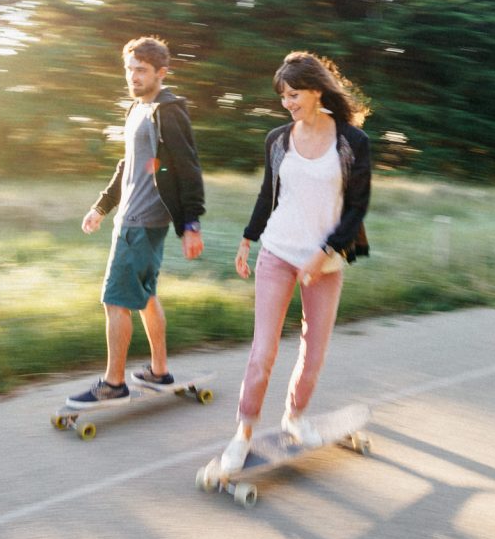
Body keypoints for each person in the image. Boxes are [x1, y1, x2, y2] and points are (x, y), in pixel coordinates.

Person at [218, 51, 371, 473]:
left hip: (325, 261)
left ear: (317, 90)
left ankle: (295, 418)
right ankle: (242, 434)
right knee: (262, 351)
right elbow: (269, 194)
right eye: (283, 96)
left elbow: (357, 208)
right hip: (278, 252)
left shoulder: (351, 142)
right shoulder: (278, 140)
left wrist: (323, 254)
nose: (288, 103)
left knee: (314, 349)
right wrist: (249, 239)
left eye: (295, 94)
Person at [67, 36, 205, 407]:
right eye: (129, 69)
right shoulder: (136, 110)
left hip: (143, 221)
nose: (133, 77)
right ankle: (159, 371)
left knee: (115, 300)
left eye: (141, 70)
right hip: (132, 215)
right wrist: (102, 206)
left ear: (162, 72)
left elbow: (188, 167)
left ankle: (113, 383)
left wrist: (191, 223)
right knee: (146, 296)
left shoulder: (168, 111)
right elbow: (128, 164)